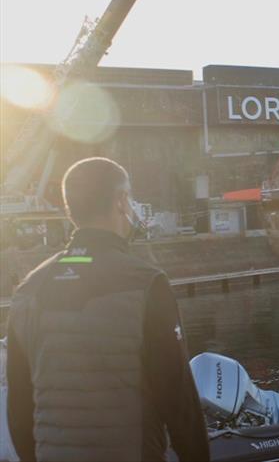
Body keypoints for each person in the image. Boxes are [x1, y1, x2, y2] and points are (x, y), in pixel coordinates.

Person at [6, 157, 210, 462]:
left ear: (69, 208)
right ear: (121, 201)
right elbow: (178, 400)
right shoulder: (145, 283)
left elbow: (20, 411)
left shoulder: (28, 291)